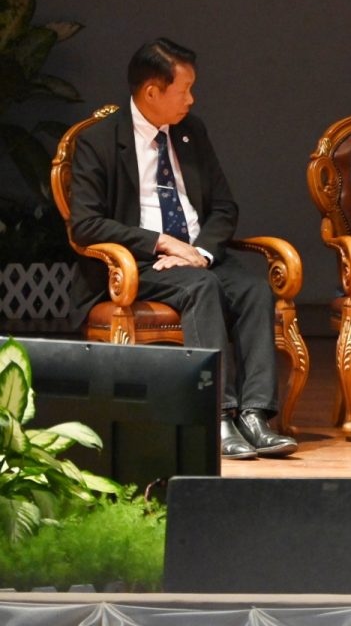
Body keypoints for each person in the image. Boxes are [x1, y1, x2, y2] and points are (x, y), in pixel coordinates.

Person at [69, 39, 297, 460]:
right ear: (151, 92)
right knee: (201, 288)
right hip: (138, 264)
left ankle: (255, 415)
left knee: (254, 290)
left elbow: (224, 206)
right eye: (184, 90)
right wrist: (161, 242)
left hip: (197, 258)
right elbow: (85, 224)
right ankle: (218, 415)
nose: (191, 100)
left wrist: (201, 253)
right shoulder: (98, 141)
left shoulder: (192, 132)